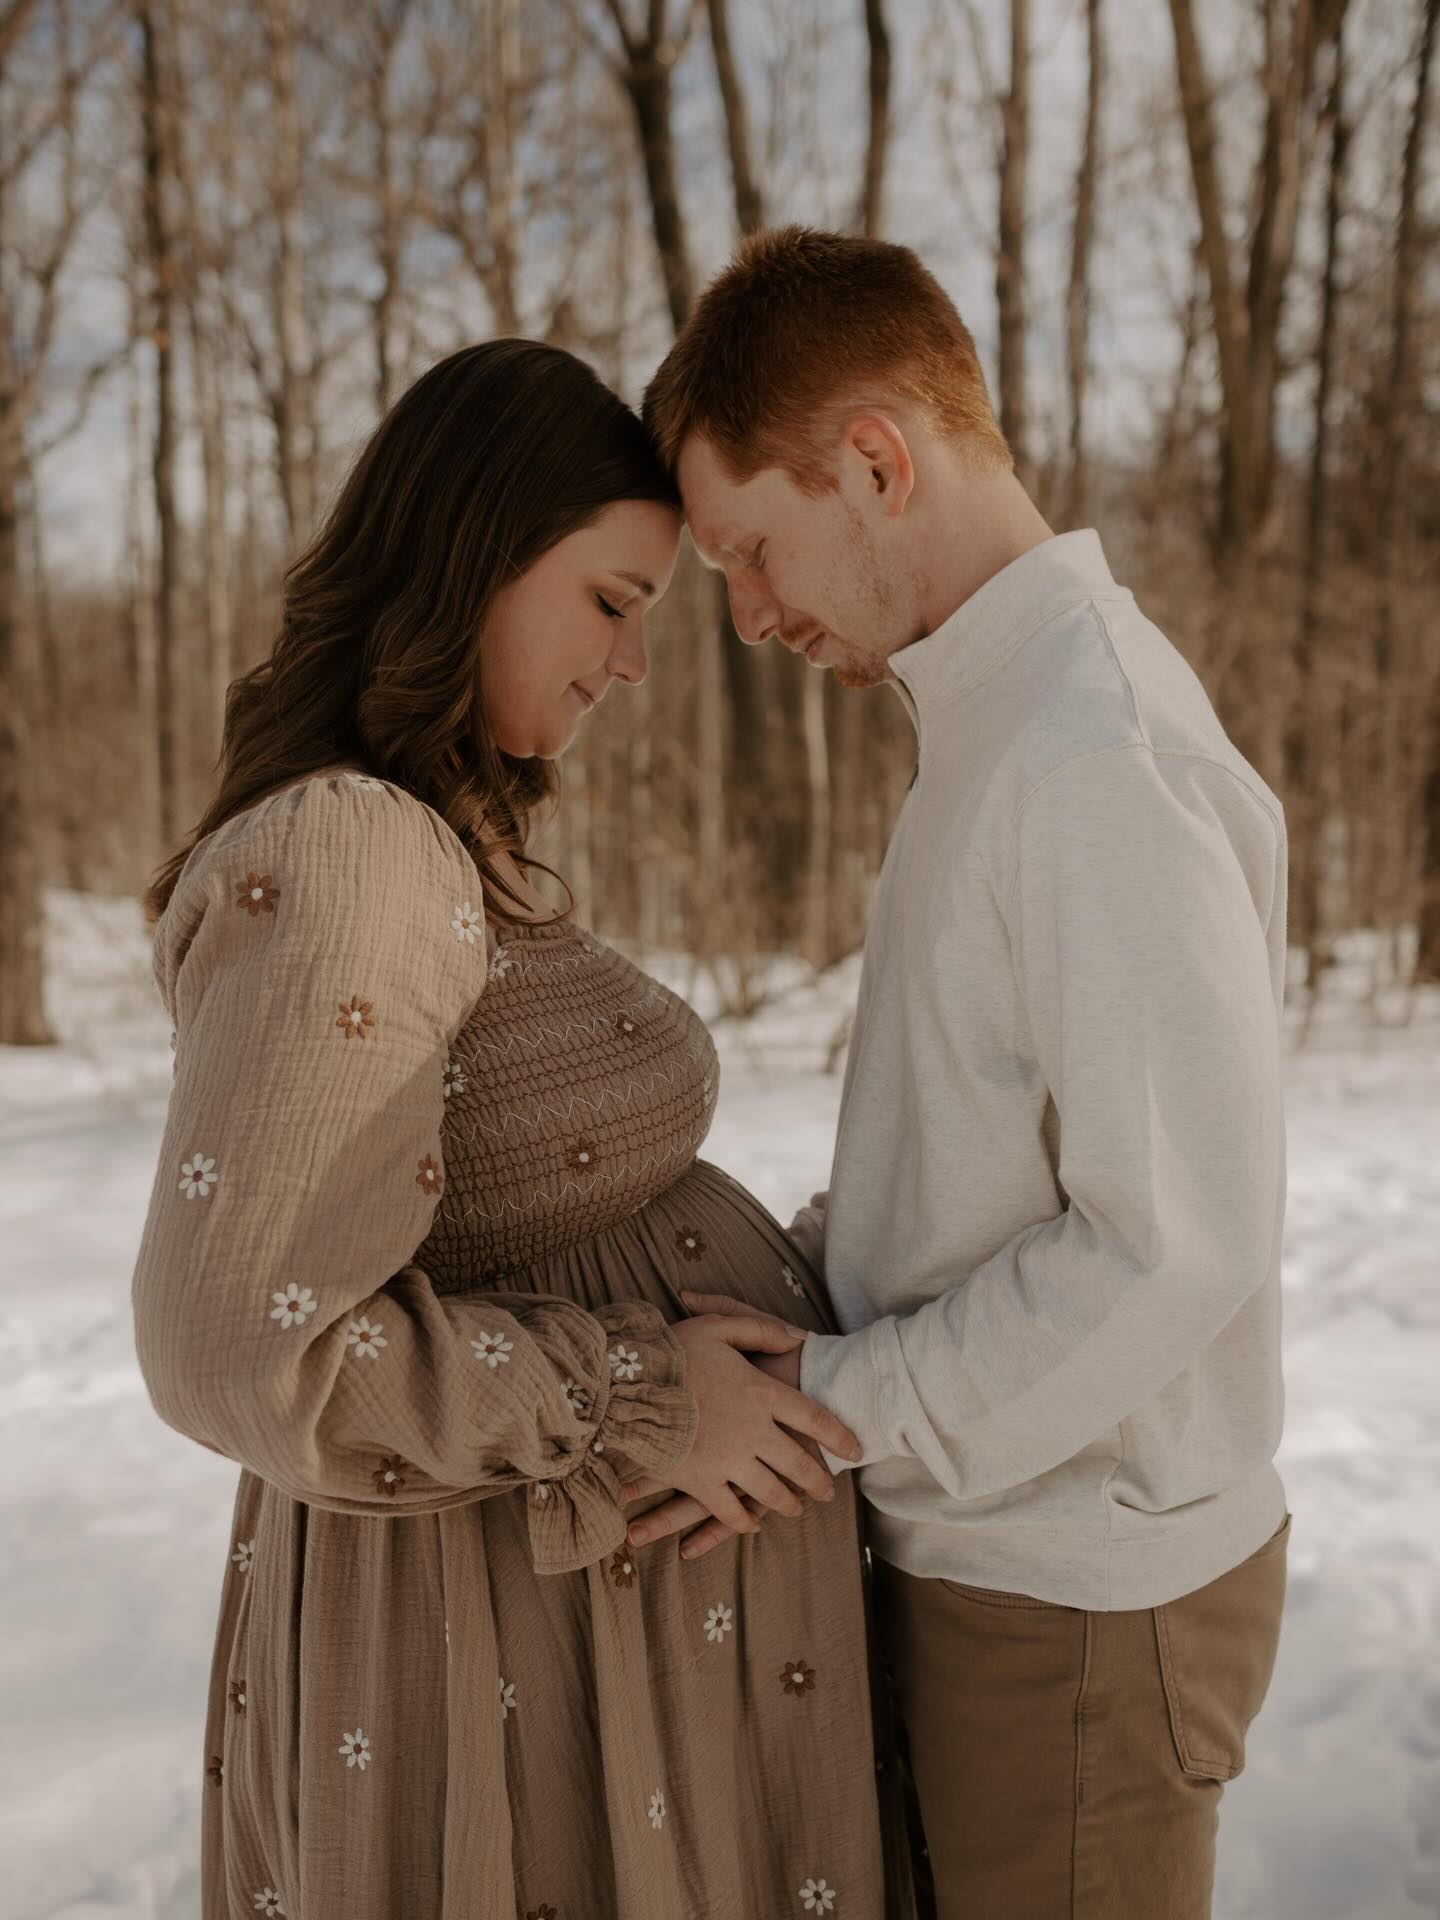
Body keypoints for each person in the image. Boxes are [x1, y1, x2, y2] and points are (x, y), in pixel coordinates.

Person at [131, 338, 914, 1920]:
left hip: (577, 1620)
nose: (633, 665)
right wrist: (637, 1401)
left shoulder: (436, 835)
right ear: (473, 559)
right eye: (611, 602)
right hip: (498, 1639)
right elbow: (241, 1345)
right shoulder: (353, 849)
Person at [632, 226, 1292, 1920]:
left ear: (874, 462)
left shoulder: (1092, 754)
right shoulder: (1000, 729)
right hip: (999, 1561)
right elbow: (987, 1158)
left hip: (1076, 1605)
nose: (752, 616)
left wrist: (838, 1402)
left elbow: (1176, 1242)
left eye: (751, 552)